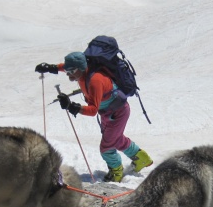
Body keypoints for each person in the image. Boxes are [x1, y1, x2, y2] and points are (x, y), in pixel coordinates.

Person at [36, 52, 153, 182]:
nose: (68, 74)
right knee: (115, 139)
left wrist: (72, 106)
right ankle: (141, 158)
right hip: (110, 112)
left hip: (117, 113)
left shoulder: (95, 81)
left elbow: (92, 110)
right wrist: (50, 68)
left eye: (71, 71)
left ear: (79, 69)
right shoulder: (81, 71)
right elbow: (65, 66)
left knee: (106, 147)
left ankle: (116, 172)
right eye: (67, 70)